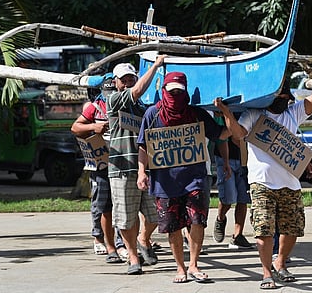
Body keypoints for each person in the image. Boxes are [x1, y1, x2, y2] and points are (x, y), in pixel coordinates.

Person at [215, 54, 312, 289]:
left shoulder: (292, 113)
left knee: (292, 228)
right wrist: (226, 113)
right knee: (263, 230)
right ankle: (266, 273)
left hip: (290, 184)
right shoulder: (254, 115)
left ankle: (280, 262)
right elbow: (238, 135)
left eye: (286, 96)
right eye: (280, 96)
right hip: (262, 184)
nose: (284, 100)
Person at [137, 71, 230, 283]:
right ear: (163, 92)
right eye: (172, 91)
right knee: (173, 226)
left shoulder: (197, 115)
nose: (175, 95)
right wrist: (142, 172)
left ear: (186, 92)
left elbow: (220, 134)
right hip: (165, 182)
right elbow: (143, 146)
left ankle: (194, 265)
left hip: (195, 179)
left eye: (179, 91)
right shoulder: (152, 115)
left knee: (198, 221)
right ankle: (180, 268)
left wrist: (228, 115)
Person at [106, 56, 165, 275]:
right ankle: (133, 257)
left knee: (156, 215)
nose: (129, 81)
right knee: (125, 217)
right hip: (121, 169)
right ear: (116, 81)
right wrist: (156, 66)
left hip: (147, 168)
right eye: (124, 78)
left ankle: (144, 239)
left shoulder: (143, 108)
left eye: (132, 77)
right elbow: (138, 91)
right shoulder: (113, 99)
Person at [71, 75, 127, 263]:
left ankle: (120, 243)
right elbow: (76, 127)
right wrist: (95, 126)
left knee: (122, 205)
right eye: (108, 92)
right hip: (101, 163)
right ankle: (99, 238)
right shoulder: (94, 107)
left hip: (122, 162)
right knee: (101, 203)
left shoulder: (126, 103)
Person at [212, 111, 253, 249]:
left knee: (243, 199)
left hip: (245, 159)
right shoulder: (221, 113)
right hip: (225, 159)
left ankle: (237, 235)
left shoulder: (248, 111)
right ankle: (220, 218)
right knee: (228, 198)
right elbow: (220, 137)